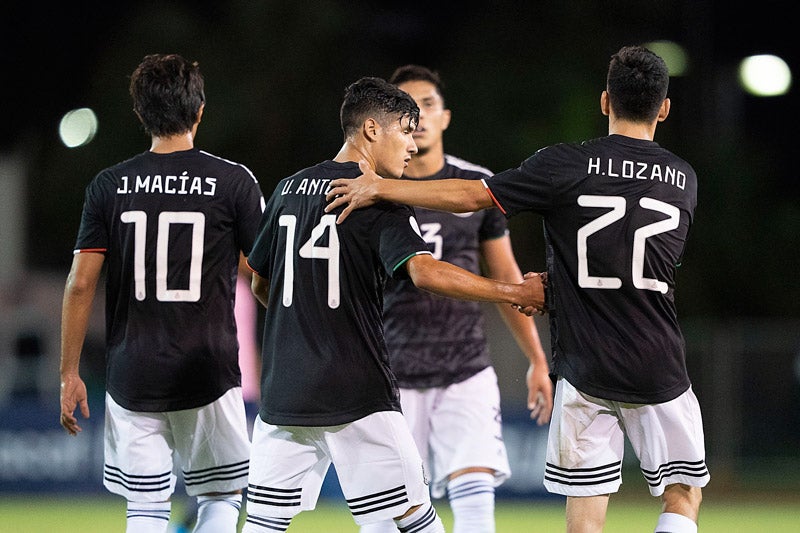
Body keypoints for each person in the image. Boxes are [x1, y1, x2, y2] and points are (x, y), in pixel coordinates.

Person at [326, 46, 710, 533]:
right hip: (658, 359)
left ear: (604, 101)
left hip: (583, 367)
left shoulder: (564, 164)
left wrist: (381, 187)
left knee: (584, 519)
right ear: (664, 108)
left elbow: (474, 194)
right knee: (682, 492)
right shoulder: (684, 180)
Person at [241, 76, 545, 533]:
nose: (411, 144)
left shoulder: (287, 189)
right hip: (356, 392)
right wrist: (514, 292)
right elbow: (426, 272)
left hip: (285, 392)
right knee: (415, 521)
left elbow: (261, 282)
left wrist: (304, 324)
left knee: (264, 524)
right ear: (370, 129)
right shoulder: (376, 199)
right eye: (404, 130)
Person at [59, 53, 265, 533]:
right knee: (220, 495)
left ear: (139, 112)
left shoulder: (109, 185)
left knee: (146, 507)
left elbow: (81, 282)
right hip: (209, 368)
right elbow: (264, 273)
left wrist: (69, 371)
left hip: (133, 370)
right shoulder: (234, 181)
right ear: (199, 110)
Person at [360, 65, 553, 533]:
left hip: (464, 372)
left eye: (427, 104)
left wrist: (537, 360)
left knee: (475, 512)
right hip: (390, 380)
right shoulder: (370, 190)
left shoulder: (474, 184)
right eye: (405, 107)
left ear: (446, 117)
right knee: (385, 522)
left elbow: (505, 274)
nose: (418, 116)